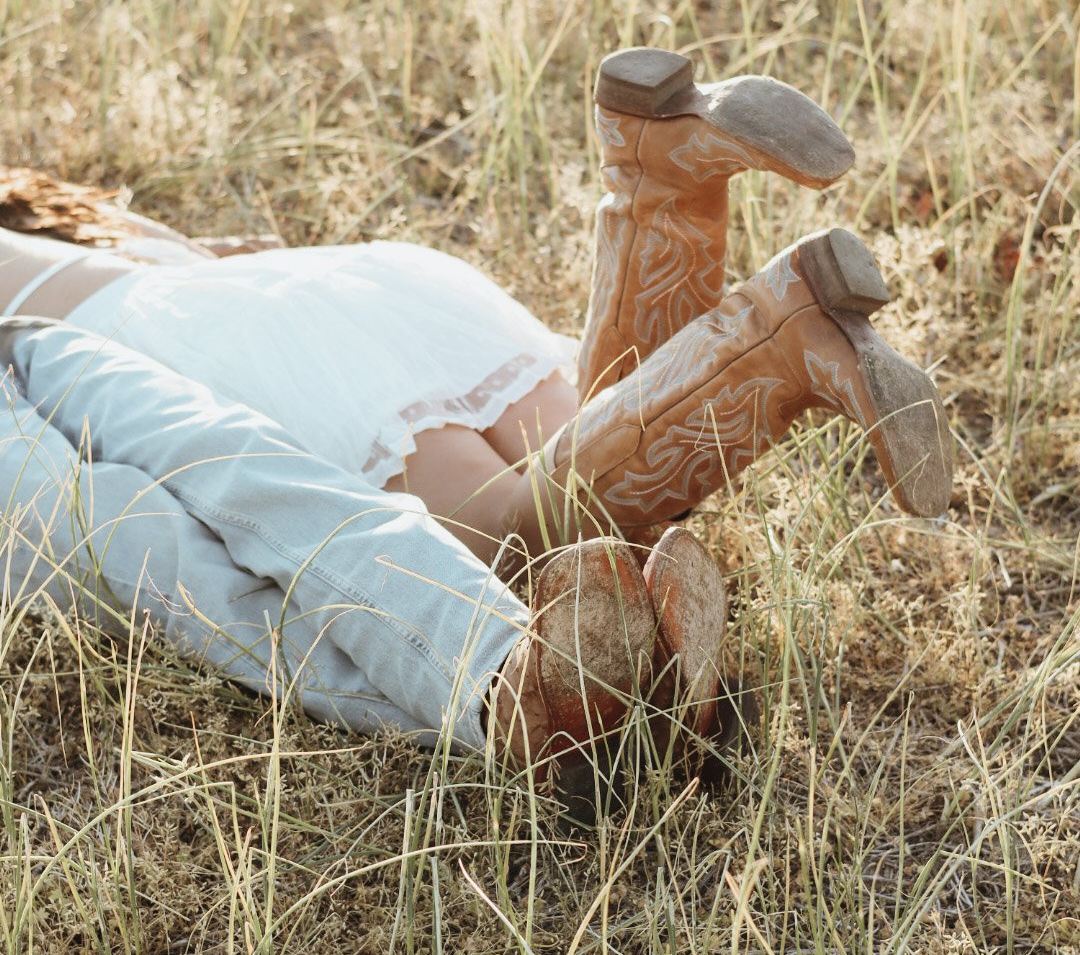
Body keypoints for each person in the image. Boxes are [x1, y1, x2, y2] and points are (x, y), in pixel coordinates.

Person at [0, 48, 952, 779]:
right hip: (348, 286)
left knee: (507, 543)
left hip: (212, 342)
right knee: (601, 434)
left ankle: (778, 341)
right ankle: (663, 179)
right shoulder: (84, 226)